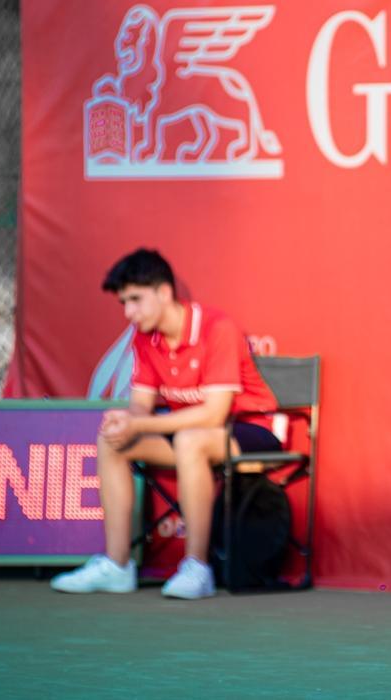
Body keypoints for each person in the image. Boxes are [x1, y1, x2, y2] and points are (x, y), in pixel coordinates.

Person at [52, 248, 280, 599]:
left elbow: (213, 415)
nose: (129, 312)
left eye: (135, 300)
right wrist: (127, 422)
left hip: (252, 431)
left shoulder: (218, 328)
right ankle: (117, 565)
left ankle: (197, 568)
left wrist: (140, 426)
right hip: (193, 434)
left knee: (190, 439)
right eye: (124, 303)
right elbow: (141, 405)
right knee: (112, 441)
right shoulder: (145, 338)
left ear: (164, 293)